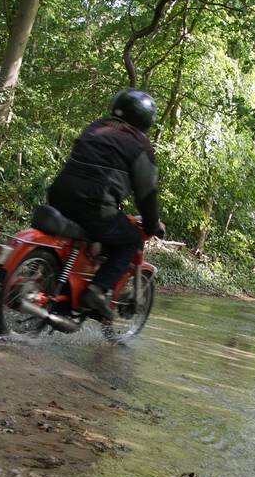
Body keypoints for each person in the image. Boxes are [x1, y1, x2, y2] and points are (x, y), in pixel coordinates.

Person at [47, 89, 166, 320]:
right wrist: (152, 224)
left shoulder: (96, 127)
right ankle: (96, 291)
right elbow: (146, 194)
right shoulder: (140, 144)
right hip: (94, 205)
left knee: (86, 239)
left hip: (58, 195)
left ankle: (63, 288)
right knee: (129, 241)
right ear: (145, 118)